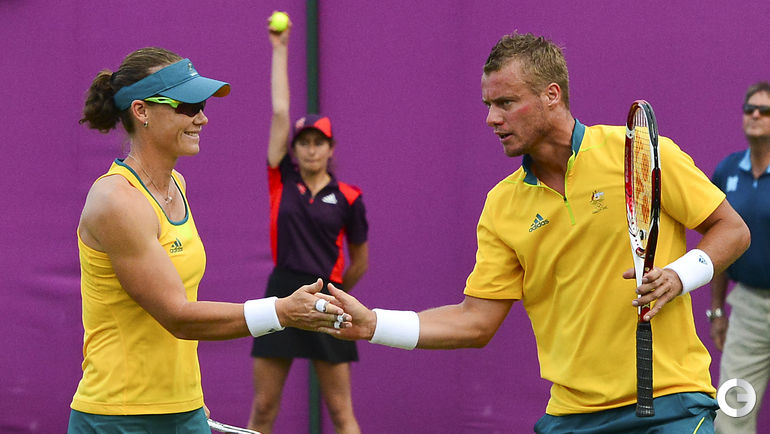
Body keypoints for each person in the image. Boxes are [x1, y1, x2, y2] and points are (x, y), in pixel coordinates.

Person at [325, 32, 751, 433]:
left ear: (552, 95)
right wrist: (373, 324)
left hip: (670, 404)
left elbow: (731, 229)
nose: (492, 118)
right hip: (572, 416)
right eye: (488, 104)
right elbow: (475, 322)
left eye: (506, 102)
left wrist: (679, 275)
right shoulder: (502, 205)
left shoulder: (637, 152)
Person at [69, 47, 351, 433]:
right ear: (141, 111)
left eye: (201, 105)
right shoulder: (117, 201)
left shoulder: (176, 185)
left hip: (185, 410)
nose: (201, 117)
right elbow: (178, 316)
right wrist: (281, 312)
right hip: (117, 418)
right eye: (188, 106)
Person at [247, 18, 369, 434]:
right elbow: (281, 112)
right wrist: (280, 48)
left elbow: (360, 261)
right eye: (304, 142)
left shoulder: (349, 196)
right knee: (264, 408)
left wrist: (336, 289)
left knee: (341, 412)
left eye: (319, 142)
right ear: (295, 149)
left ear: (331, 148)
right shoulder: (281, 179)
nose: (311, 149)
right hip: (280, 291)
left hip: (327, 298)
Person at [709, 81, 770, 434]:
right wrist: (717, 310)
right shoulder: (728, 171)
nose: (756, 115)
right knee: (731, 411)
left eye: (765, 110)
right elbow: (720, 243)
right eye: (750, 109)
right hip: (748, 308)